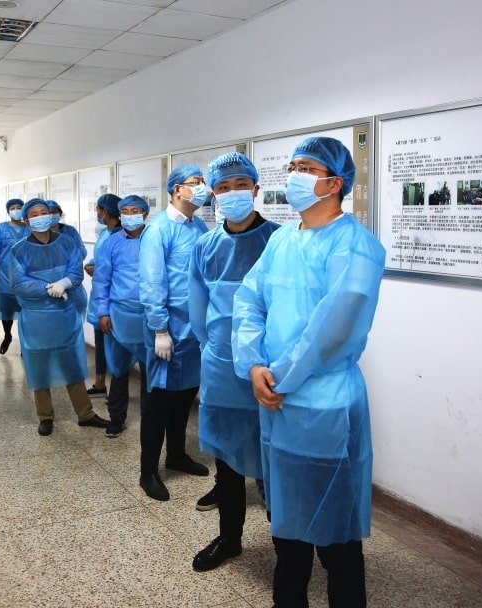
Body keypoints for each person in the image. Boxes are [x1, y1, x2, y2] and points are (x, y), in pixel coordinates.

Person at [233, 137, 385, 607]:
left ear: (334, 182)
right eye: (292, 166)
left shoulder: (356, 247)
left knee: (336, 537)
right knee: (287, 531)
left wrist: (280, 377)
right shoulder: (281, 239)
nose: (293, 175)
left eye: (305, 167)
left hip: (323, 405)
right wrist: (254, 362)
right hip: (275, 402)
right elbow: (249, 300)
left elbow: (332, 329)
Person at [189, 152, 280, 572]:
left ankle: (288, 543)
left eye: (240, 185)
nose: (232, 193)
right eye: (223, 187)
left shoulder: (280, 242)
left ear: (256, 189)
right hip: (222, 368)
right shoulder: (205, 246)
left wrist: (260, 359)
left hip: (270, 370)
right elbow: (199, 311)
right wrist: (220, 353)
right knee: (226, 461)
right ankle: (230, 538)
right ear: (212, 194)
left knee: (274, 463)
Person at [137, 164, 211, 501]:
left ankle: (177, 454)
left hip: (194, 330)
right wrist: (159, 329)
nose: (202, 188)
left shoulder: (198, 227)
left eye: (203, 182)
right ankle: (148, 470)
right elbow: (153, 282)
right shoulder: (158, 230)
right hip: (167, 330)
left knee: (184, 396)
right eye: (195, 183)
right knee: (159, 400)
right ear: (177, 189)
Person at [7, 198, 110, 436]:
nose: (42, 217)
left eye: (45, 212)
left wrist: (64, 283)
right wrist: (47, 288)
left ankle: (85, 414)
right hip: (36, 318)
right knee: (38, 366)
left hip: (64, 315)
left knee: (72, 364)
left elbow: (75, 270)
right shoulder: (18, 250)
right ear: (26, 220)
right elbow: (18, 283)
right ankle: (45, 416)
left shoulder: (67, 243)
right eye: (35, 214)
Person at [91, 195, 151, 438]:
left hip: (149, 316)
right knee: (118, 370)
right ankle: (116, 418)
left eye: (134, 210)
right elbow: (101, 280)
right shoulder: (112, 243)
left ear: (145, 214)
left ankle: (151, 420)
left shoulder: (155, 239)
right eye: (124, 211)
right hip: (119, 316)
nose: (129, 215)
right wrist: (102, 312)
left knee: (151, 373)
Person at [84, 193, 122, 397]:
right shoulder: (105, 232)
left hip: (113, 296)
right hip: (101, 294)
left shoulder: (121, 235)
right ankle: (100, 383)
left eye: (98, 209)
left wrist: (97, 268)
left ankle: (115, 391)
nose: (97, 213)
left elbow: (120, 266)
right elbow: (100, 257)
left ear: (104, 211)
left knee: (115, 347)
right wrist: (92, 264)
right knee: (100, 340)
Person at [0, 198, 30, 355]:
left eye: (19, 207)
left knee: (25, 310)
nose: (16, 210)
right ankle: (7, 335)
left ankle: (25, 343)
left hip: (27, 275)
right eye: (12, 208)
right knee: (7, 309)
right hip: (6, 274)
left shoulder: (29, 228)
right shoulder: (1, 228)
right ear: (8, 211)